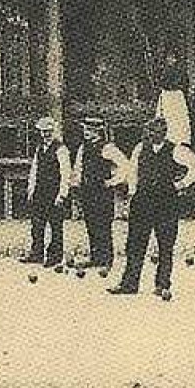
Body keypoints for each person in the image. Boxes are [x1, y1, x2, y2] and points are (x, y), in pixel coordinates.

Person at [109, 116, 195, 301]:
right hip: (142, 201)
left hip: (166, 202)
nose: (153, 135)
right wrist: (131, 194)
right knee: (135, 244)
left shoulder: (176, 150)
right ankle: (129, 283)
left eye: (157, 131)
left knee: (165, 245)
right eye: (150, 131)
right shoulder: (140, 148)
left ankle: (162, 284)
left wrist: (182, 183)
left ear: (165, 133)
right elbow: (132, 171)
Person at [71, 115, 127, 273]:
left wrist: (112, 181)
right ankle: (96, 258)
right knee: (91, 223)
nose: (86, 132)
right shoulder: (83, 147)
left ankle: (106, 259)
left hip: (102, 192)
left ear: (97, 131)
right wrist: (75, 184)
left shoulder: (108, 148)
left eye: (89, 130)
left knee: (103, 224)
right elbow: (78, 167)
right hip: (87, 191)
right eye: (85, 129)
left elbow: (124, 165)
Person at [21, 116, 71, 268]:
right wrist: (31, 189)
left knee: (56, 226)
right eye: (43, 132)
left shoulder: (61, 149)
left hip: (54, 192)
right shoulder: (39, 148)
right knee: (37, 225)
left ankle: (55, 256)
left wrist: (62, 194)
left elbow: (65, 173)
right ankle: (36, 253)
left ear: (53, 131)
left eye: (48, 131)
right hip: (40, 192)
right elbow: (34, 170)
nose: (45, 134)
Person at [154, 50, 192, 152]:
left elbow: (184, 83)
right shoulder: (162, 71)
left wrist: (178, 89)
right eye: (169, 58)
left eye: (173, 58)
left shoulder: (180, 72)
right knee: (167, 119)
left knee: (179, 120)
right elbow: (160, 83)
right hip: (167, 97)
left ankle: (180, 142)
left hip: (176, 97)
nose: (171, 60)